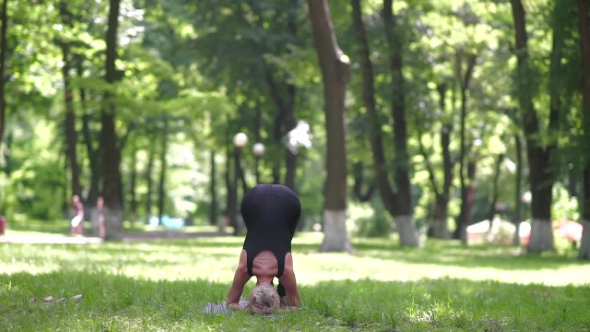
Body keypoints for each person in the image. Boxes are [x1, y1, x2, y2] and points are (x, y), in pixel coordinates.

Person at [226, 184, 302, 314]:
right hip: (254, 199)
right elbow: (230, 303)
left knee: (285, 238)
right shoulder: (245, 267)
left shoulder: (285, 270)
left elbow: (297, 307)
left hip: (288, 201)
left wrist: (277, 310)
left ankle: (283, 290)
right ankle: (283, 290)